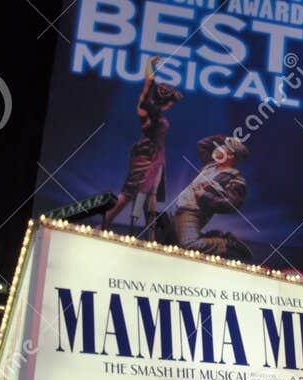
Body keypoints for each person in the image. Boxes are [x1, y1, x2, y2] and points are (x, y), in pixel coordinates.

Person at [102, 56, 184, 230]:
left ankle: (151, 232)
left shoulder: (155, 109)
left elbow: (151, 84)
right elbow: (149, 82)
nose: (171, 104)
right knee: (129, 193)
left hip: (157, 155)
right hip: (146, 154)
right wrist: (149, 63)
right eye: (169, 101)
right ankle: (104, 223)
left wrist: (150, 64)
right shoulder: (147, 109)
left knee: (151, 193)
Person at [169, 134, 252, 258]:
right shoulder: (212, 165)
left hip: (195, 212)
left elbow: (232, 204)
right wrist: (224, 139)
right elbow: (202, 144)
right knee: (172, 242)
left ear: (229, 156)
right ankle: (213, 235)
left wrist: (204, 196)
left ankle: (226, 243)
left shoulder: (236, 179)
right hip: (183, 209)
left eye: (223, 147)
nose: (217, 148)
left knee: (189, 245)